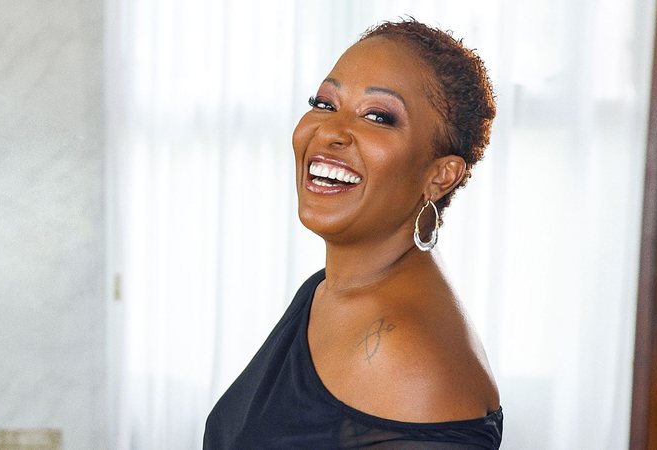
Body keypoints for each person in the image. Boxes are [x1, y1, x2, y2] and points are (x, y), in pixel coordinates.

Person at [204, 18, 501, 449]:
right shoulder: (326, 290)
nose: (329, 131)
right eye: (325, 104)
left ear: (440, 176)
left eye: (378, 116)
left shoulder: (406, 351)